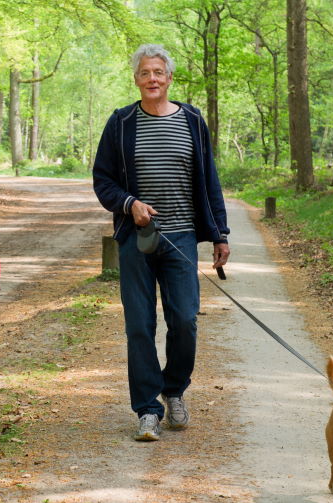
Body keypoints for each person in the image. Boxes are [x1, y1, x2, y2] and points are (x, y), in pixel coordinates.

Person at [93, 44, 230, 441]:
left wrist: (219, 233)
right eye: (144, 73)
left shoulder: (191, 119)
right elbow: (103, 181)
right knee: (139, 325)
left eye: (158, 72)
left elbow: (209, 179)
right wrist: (129, 203)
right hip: (136, 239)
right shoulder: (120, 123)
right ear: (136, 79)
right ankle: (147, 409)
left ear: (169, 78)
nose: (152, 79)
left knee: (185, 319)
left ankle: (174, 390)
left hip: (182, 238)